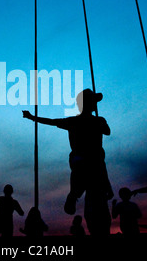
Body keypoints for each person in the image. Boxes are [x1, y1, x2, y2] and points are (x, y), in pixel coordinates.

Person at [23, 88, 114, 236]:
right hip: (89, 164)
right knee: (94, 195)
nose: (95, 105)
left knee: (96, 203)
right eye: (93, 102)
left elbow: (107, 131)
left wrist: (32, 117)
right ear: (87, 104)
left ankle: (75, 193)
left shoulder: (84, 121)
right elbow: (52, 122)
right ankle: (75, 192)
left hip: (92, 165)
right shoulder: (91, 121)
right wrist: (32, 117)